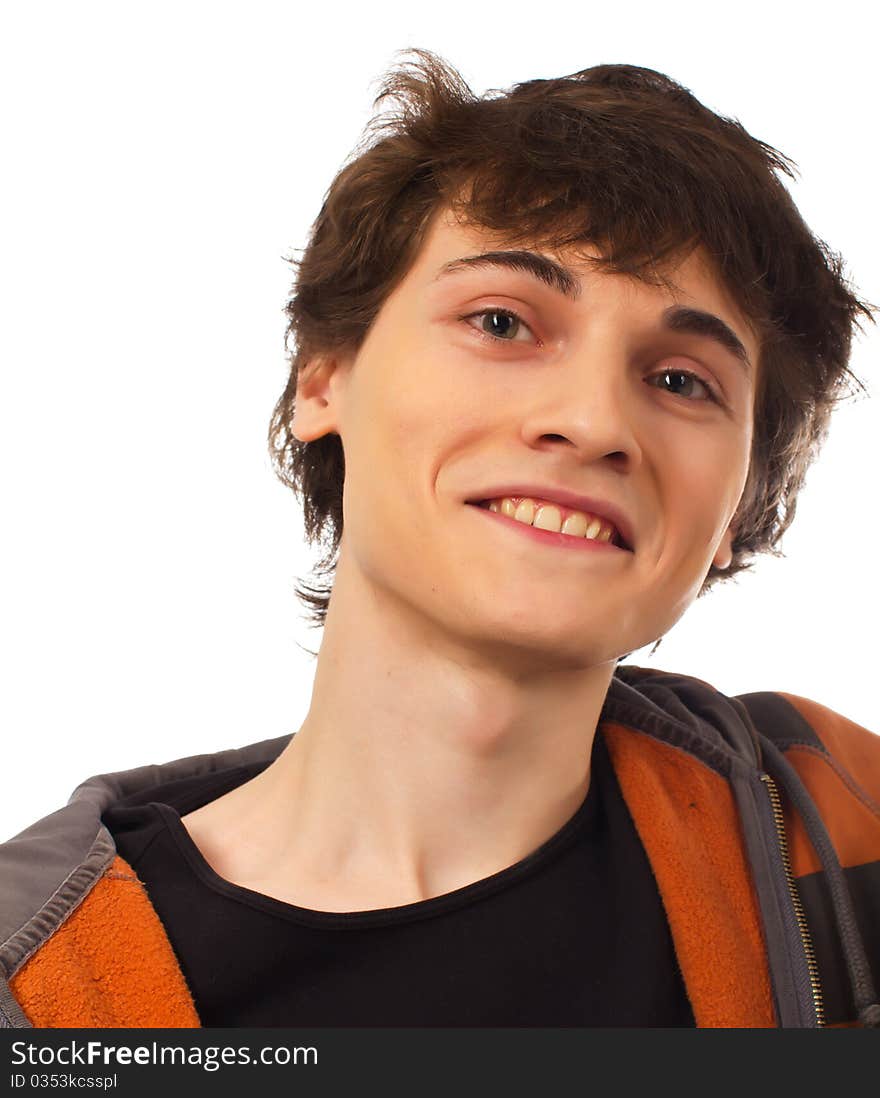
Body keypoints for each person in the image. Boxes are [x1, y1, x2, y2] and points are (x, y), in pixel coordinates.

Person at [1, 50, 878, 1030]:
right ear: (324, 377)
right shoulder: (35, 990)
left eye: (681, 381)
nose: (591, 422)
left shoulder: (848, 829)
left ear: (739, 507)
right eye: (501, 321)